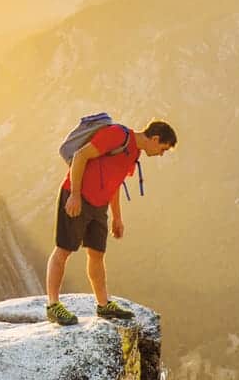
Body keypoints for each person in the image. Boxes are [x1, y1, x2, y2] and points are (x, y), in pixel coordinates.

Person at [45, 119, 178, 325]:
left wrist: (117, 217)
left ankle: (103, 305)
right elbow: (80, 156)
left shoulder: (134, 153)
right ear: (155, 138)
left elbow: (116, 182)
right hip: (78, 196)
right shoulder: (117, 135)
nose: (161, 154)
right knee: (64, 249)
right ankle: (53, 306)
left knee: (97, 254)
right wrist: (75, 195)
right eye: (162, 149)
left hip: (99, 205)